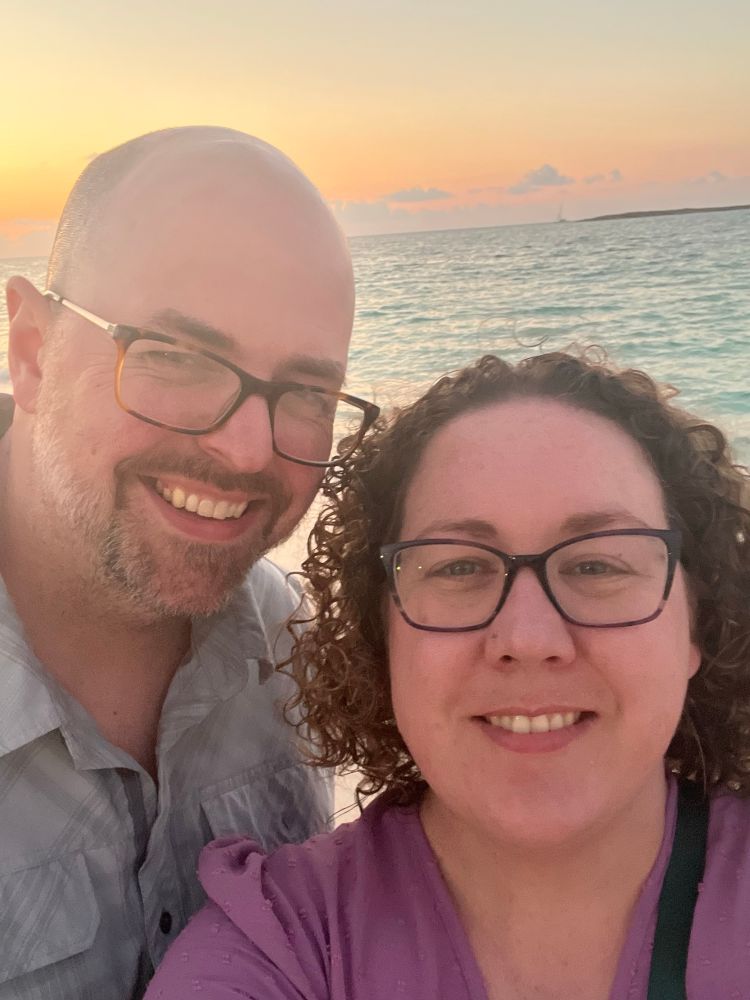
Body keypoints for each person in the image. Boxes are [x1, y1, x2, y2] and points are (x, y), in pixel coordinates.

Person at [148, 351, 750, 1000]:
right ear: (380, 633)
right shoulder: (286, 946)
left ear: (697, 624)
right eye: (458, 568)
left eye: (599, 566)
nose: (527, 639)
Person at [0, 126, 378, 998]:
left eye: (310, 394)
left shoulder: (294, 650)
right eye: (178, 358)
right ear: (32, 350)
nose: (247, 451)